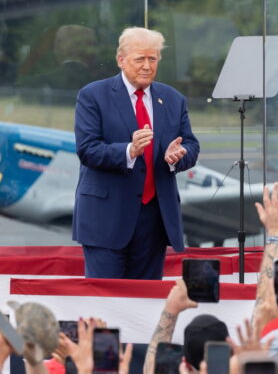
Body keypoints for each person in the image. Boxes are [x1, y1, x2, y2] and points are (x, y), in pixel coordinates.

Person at [73, 26, 200, 279]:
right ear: (121, 60)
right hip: (106, 219)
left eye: (152, 59)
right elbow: (87, 149)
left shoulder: (173, 99)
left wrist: (178, 156)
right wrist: (130, 150)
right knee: (106, 303)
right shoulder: (93, 96)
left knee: (146, 302)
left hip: (154, 221)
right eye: (139, 59)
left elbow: (191, 146)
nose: (146, 66)